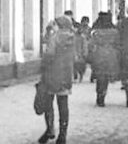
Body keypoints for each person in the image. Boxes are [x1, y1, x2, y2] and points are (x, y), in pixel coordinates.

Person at [37, 16, 75, 144]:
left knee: (48, 103)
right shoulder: (72, 37)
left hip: (52, 75)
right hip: (66, 75)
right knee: (63, 105)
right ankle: (63, 135)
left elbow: (49, 55)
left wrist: (42, 67)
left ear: (59, 25)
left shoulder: (55, 37)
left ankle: (50, 129)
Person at [87, 11, 119, 107]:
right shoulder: (115, 31)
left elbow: (90, 45)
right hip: (110, 55)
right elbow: (118, 43)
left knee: (100, 76)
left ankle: (99, 94)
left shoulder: (96, 32)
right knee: (106, 77)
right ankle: (103, 93)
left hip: (99, 55)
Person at [73, 17, 89, 82]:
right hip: (75, 54)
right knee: (75, 66)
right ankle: (76, 76)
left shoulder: (82, 37)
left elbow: (85, 46)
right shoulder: (72, 36)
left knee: (81, 67)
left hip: (80, 54)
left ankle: (80, 76)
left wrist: (85, 53)